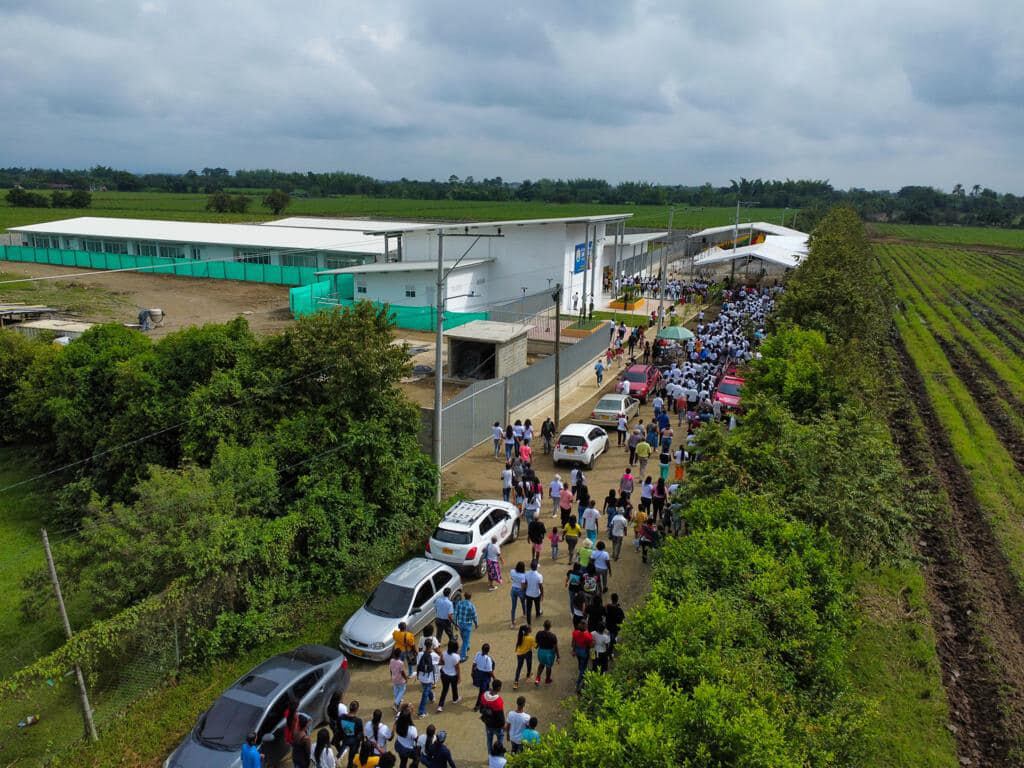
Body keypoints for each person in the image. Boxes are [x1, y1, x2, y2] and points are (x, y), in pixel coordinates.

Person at [480, 679, 506, 757]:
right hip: (497, 727)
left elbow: (481, 709)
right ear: (499, 688)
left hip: (488, 724)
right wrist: (503, 725)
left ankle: (490, 757)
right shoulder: (498, 701)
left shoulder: (484, 696)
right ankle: (500, 757)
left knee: (489, 741)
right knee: (500, 741)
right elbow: (501, 718)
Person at [415, 642, 440, 718]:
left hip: (421, 676)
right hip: (429, 678)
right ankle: (421, 711)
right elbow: (437, 666)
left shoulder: (420, 654)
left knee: (426, 689)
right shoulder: (435, 655)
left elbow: (418, 664)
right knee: (425, 693)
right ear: (431, 645)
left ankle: (431, 697)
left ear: (424, 645)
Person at [436, 640, 461, 712]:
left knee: (444, 690)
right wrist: (459, 677)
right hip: (453, 676)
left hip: (444, 674)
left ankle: (440, 706)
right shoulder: (456, 657)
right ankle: (455, 699)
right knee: (454, 687)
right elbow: (457, 668)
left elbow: (441, 662)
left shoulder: (443, 653)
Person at [454, 591, 478, 662]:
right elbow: (474, 616)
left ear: (464, 596)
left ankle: (467, 646)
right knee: (465, 640)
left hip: (460, 624)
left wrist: (455, 624)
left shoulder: (459, 603)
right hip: (467, 625)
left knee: (463, 637)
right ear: (470, 597)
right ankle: (462, 657)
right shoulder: (471, 606)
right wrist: (476, 624)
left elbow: (455, 614)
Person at [338, 701, 364, 768]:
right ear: (357, 709)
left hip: (345, 738)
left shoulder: (341, 717)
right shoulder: (358, 721)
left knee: (340, 754)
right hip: (354, 741)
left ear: (349, 708)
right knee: (351, 759)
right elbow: (360, 733)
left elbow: (339, 727)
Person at [571, 621, 594, 692]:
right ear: (585, 627)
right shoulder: (588, 636)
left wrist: (573, 650)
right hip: (584, 651)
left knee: (580, 662)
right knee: (583, 668)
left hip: (578, 650)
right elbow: (591, 645)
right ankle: (579, 683)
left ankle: (581, 672)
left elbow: (573, 642)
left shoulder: (575, 633)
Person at [534, 620, 559, 686]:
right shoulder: (553, 636)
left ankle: (537, 679)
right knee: (548, 667)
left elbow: (536, 642)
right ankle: (547, 679)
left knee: (541, 665)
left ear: (543, 626)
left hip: (541, 652)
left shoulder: (539, 633)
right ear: (550, 626)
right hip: (549, 654)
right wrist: (558, 656)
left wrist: (537, 646)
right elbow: (555, 647)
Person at [471, 643, 496, 711]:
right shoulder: (488, 659)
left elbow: (474, 664)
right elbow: (490, 671)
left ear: (481, 649)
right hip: (485, 676)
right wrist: (494, 678)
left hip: (478, 673)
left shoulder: (478, 654)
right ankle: (477, 706)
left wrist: (472, 671)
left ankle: (487, 691)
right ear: (488, 650)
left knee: (484, 688)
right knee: (481, 691)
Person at [389, 648, 408, 713]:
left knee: (396, 691)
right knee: (402, 690)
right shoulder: (401, 663)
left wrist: (391, 676)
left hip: (394, 679)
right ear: (400, 655)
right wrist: (406, 678)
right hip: (400, 680)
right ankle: (395, 704)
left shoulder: (391, 660)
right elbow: (402, 672)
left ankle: (398, 704)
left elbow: (390, 670)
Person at [509, 561, 527, 628]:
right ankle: (524, 614)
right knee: (523, 602)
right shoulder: (523, 576)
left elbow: (511, 578)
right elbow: (523, 586)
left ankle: (513, 623)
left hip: (513, 590)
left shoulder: (512, 571)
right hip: (520, 590)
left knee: (513, 607)